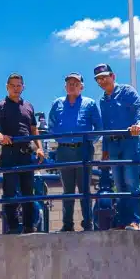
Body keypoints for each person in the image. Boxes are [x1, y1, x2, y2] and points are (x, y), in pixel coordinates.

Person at [0, 73, 42, 235]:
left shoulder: (29, 106)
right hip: (9, 153)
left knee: (28, 191)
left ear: (23, 87)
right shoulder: (0, 106)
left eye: (19, 85)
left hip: (27, 154)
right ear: (7, 87)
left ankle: (30, 227)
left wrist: (39, 147)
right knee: (10, 191)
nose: (16, 88)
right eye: (13, 85)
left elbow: (33, 128)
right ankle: (13, 227)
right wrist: (0, 136)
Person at [92, 63, 140, 229]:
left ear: (113, 76)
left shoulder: (127, 91)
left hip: (129, 141)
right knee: (119, 183)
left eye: (104, 77)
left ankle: (134, 221)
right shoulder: (103, 100)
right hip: (113, 145)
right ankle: (123, 221)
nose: (102, 81)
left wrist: (139, 123)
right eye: (99, 79)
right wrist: (105, 150)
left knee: (131, 182)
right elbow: (106, 127)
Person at [47, 72, 102, 231]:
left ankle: (88, 225)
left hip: (83, 150)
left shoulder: (89, 103)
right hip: (64, 152)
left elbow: (98, 127)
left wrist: (89, 141)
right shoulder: (57, 103)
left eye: (76, 83)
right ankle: (67, 225)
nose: (72, 85)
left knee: (85, 189)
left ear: (81, 87)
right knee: (68, 190)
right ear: (65, 86)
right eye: (69, 83)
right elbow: (51, 125)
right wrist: (60, 138)